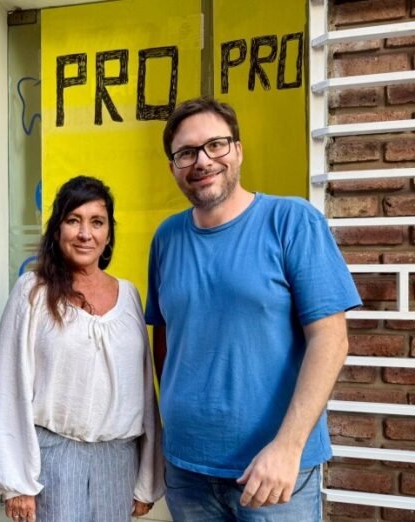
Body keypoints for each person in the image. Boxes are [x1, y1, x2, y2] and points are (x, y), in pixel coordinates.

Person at [145, 97, 361, 521]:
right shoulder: (166, 238)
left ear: (238, 150)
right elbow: (165, 336)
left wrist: (288, 446)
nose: (202, 161)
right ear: (173, 167)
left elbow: (331, 340)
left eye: (215, 145)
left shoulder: (292, 220)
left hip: (274, 473)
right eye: (186, 153)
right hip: (187, 471)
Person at [0, 176, 164, 522]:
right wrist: (16, 482)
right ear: (57, 230)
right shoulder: (32, 292)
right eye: (73, 220)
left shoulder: (129, 295)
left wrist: (147, 479)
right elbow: (8, 387)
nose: (85, 234)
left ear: (108, 234)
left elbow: (144, 392)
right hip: (52, 458)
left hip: (118, 458)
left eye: (97, 222)